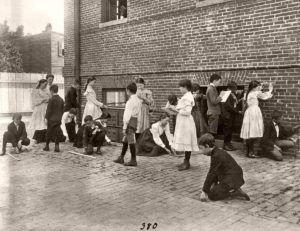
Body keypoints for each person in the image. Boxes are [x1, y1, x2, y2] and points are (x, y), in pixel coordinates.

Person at [199, 133, 250, 202]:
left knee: (212, 195)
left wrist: (204, 191)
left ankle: (233, 192)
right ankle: (232, 188)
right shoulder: (217, 151)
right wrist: (213, 183)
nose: (200, 151)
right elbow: (215, 171)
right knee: (213, 186)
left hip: (232, 179)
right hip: (233, 176)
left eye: (201, 148)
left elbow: (211, 173)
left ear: (207, 146)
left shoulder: (216, 155)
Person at [240, 80, 273, 158]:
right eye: (258, 86)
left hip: (249, 112)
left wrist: (260, 88)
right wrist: (270, 90)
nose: (259, 87)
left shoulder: (247, 93)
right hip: (254, 112)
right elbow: (265, 96)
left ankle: (249, 152)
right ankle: (251, 153)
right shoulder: (255, 93)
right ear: (254, 87)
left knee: (250, 132)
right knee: (253, 131)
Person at [173, 79, 199, 171]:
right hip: (183, 121)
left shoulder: (188, 97)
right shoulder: (186, 96)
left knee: (187, 140)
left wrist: (176, 109)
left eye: (181, 87)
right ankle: (185, 160)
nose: (180, 89)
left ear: (185, 87)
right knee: (184, 140)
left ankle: (187, 162)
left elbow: (187, 112)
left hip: (186, 121)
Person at [114, 82, 141, 167]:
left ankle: (133, 160)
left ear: (128, 91)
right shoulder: (138, 100)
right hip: (135, 120)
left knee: (130, 140)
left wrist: (124, 127)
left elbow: (127, 115)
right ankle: (121, 157)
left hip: (129, 121)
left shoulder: (130, 101)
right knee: (126, 139)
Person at [221, 81, 242, 151]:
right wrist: (237, 111)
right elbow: (228, 106)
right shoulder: (226, 93)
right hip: (227, 115)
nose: (236, 89)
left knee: (230, 130)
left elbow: (233, 103)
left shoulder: (231, 94)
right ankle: (225, 144)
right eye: (235, 88)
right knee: (227, 130)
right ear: (231, 88)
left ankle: (228, 143)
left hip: (231, 115)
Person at [43, 85, 65, 152]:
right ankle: (57, 147)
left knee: (48, 132)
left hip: (51, 120)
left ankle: (47, 146)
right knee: (57, 133)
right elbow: (63, 110)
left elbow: (49, 110)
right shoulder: (61, 100)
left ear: (51, 91)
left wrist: (46, 118)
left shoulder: (51, 99)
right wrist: (60, 117)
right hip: (58, 119)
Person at [29, 79, 50, 144]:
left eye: (46, 84)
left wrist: (47, 99)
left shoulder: (46, 91)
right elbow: (35, 101)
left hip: (45, 108)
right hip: (39, 108)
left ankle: (43, 137)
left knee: (44, 122)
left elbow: (49, 98)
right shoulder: (36, 91)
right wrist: (43, 100)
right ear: (40, 84)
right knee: (39, 122)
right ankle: (37, 138)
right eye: (44, 84)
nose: (45, 86)